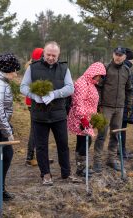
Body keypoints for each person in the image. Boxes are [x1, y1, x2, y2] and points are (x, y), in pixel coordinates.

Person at [20, 41, 76, 185]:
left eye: (54, 55)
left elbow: (70, 88)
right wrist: (34, 96)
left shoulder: (64, 68)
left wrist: (54, 94)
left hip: (59, 114)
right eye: (48, 54)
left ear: (59, 55)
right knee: (41, 146)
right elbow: (23, 87)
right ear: (44, 53)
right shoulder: (33, 68)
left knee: (63, 144)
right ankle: (45, 174)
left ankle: (66, 173)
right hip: (39, 114)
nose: (51, 57)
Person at [93, 46, 133, 173]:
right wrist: (98, 104)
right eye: (116, 54)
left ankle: (111, 159)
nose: (118, 56)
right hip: (105, 107)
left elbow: (129, 90)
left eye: (120, 55)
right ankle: (97, 161)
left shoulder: (127, 70)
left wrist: (129, 105)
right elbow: (98, 87)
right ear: (113, 54)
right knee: (102, 134)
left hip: (120, 108)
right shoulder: (105, 68)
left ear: (125, 57)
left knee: (115, 134)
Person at [68, 62, 106, 177]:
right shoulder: (82, 83)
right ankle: (81, 167)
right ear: (93, 72)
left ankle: (81, 166)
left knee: (83, 141)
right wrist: (83, 119)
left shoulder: (91, 83)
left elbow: (91, 101)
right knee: (85, 141)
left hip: (87, 118)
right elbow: (78, 103)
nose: (99, 78)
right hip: (81, 118)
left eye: (101, 77)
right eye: (99, 75)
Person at [0, 53, 20, 200]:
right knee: (5, 156)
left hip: (0, 127)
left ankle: (0, 188)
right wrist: (7, 131)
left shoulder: (1, 81)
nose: (16, 74)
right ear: (7, 69)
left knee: (5, 156)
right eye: (14, 70)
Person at [120, 48, 133, 158]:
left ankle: (121, 149)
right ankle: (121, 150)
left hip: (123, 103)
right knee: (121, 128)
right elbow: (129, 89)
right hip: (122, 103)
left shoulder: (124, 68)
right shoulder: (126, 69)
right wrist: (129, 105)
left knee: (121, 127)